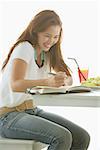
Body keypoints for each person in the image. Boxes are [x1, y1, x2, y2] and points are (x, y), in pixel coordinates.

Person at [0, 10, 90, 150]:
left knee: (82, 136)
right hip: (6, 116)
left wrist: (63, 80)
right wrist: (47, 82)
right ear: (36, 31)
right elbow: (16, 85)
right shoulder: (25, 48)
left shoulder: (46, 52)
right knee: (62, 137)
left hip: (31, 110)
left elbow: (69, 78)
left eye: (55, 37)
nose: (51, 41)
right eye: (47, 36)